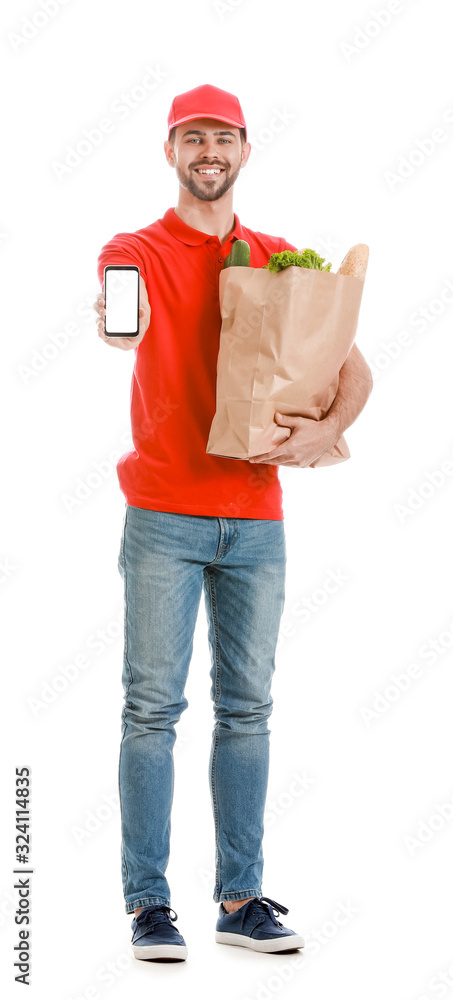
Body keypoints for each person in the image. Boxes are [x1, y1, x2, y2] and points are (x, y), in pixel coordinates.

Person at [93, 83, 373, 963]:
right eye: (191, 138)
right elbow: (118, 310)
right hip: (163, 512)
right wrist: (115, 323)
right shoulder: (134, 246)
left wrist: (328, 431)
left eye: (222, 137)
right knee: (151, 711)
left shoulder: (280, 257)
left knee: (247, 711)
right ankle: (148, 906)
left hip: (256, 518)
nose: (207, 151)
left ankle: (240, 900)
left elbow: (353, 366)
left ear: (244, 150)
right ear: (170, 153)